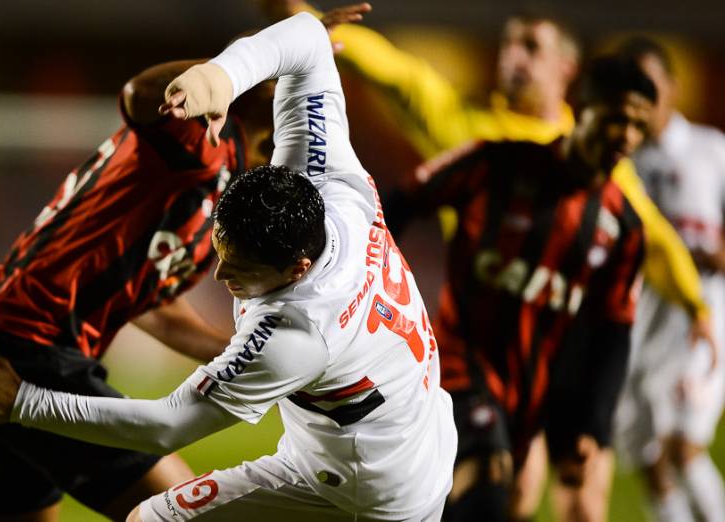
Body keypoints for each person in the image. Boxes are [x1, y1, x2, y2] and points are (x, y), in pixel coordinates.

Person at [0, 12, 457, 522]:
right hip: (19, 343)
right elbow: (304, 41)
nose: (221, 279)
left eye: (239, 272)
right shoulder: (325, 182)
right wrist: (222, 73)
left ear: (295, 268)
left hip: (364, 483)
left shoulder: (293, 325)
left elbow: (168, 422)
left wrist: (23, 402)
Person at [258, 4, 714, 519]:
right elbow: (400, 95)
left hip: (546, 363)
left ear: (568, 73)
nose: (515, 58)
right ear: (585, 107)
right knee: (487, 480)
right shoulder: (487, 146)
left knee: (540, 497)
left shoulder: (618, 208)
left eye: (532, 46)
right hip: (466, 351)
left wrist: (697, 310)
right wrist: (311, 32)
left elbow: (642, 274)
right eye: (510, 44)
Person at [0, 55, 278, 521]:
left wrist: (257, 358)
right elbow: (139, 96)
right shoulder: (207, 142)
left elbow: (155, 308)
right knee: (186, 514)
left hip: (5, 338)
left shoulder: (224, 187)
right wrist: (240, 58)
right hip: (30, 344)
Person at [397, 54, 656, 521]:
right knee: (487, 483)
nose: (627, 136)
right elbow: (401, 201)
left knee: (505, 501)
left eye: (640, 125)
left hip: (532, 391)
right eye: (616, 117)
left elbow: (613, 332)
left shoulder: (624, 227)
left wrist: (591, 425)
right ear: (579, 104)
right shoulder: (499, 164)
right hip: (456, 365)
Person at [613, 36, 725, 522]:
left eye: (649, 83)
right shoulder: (623, 164)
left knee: (684, 445)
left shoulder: (711, 149)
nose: (641, 96)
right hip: (644, 324)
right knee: (649, 456)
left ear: (672, 88)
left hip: (705, 315)